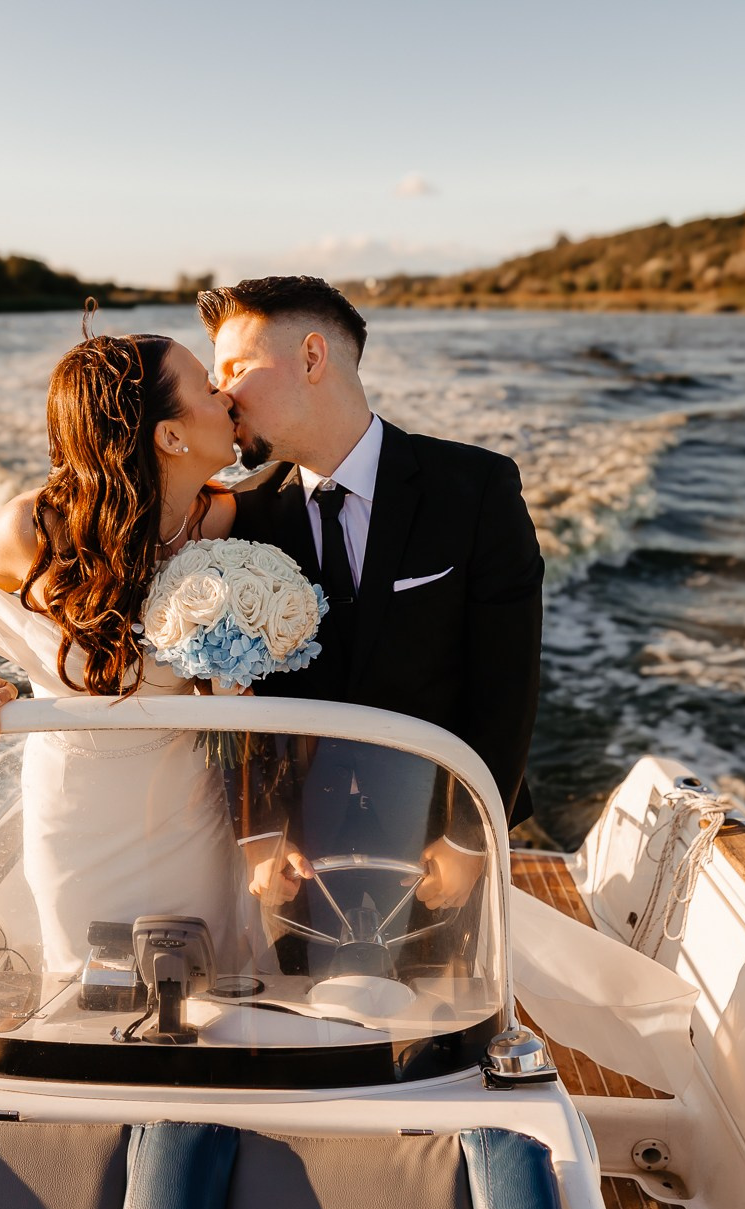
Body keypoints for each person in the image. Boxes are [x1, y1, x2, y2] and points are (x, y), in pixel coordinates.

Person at [202, 276, 545, 917]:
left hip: (437, 838)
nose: (221, 397)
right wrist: (257, 835)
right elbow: (233, 698)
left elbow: (509, 680)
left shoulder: (475, 491)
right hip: (298, 858)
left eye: (236, 369)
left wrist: (471, 838)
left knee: (449, 1015)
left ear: (312, 358)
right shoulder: (240, 518)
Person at [0, 324, 242, 971]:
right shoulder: (32, 529)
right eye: (209, 388)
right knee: (87, 992)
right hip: (76, 817)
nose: (228, 397)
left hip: (190, 813)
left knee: (210, 985)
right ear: (171, 435)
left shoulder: (222, 520)